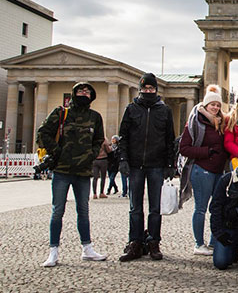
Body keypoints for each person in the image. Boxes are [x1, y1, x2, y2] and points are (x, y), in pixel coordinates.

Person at [37, 81, 107, 267]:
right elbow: (43, 133)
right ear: (73, 93)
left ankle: (87, 248)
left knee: (83, 211)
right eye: (80, 90)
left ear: (92, 96)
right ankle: (53, 251)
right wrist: (56, 151)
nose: (84, 93)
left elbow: (99, 139)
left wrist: (91, 155)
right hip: (62, 170)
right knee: (57, 211)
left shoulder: (95, 117)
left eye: (87, 91)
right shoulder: (61, 113)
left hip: (83, 171)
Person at [118, 73, 176, 262]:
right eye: (145, 88)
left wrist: (170, 164)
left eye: (151, 88)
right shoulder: (131, 109)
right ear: (140, 89)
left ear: (156, 90)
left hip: (156, 164)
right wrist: (123, 159)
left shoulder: (164, 111)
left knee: (155, 208)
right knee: (135, 207)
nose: (148, 91)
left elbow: (170, 139)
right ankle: (135, 242)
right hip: (135, 164)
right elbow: (123, 137)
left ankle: (153, 242)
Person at [179, 85, 229, 255]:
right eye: (212, 105)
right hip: (202, 170)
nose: (215, 107)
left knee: (218, 207)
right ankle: (198, 244)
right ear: (205, 105)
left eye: (218, 105)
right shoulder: (195, 122)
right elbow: (184, 148)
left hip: (218, 171)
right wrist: (206, 152)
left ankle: (214, 241)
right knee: (201, 207)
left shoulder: (221, 122)